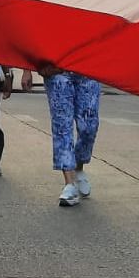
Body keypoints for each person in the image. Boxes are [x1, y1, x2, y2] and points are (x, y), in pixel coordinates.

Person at [46, 67, 102, 206]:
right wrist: (27, 70)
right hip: (57, 70)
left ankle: (78, 166)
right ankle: (69, 184)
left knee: (88, 126)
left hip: (88, 68)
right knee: (62, 126)